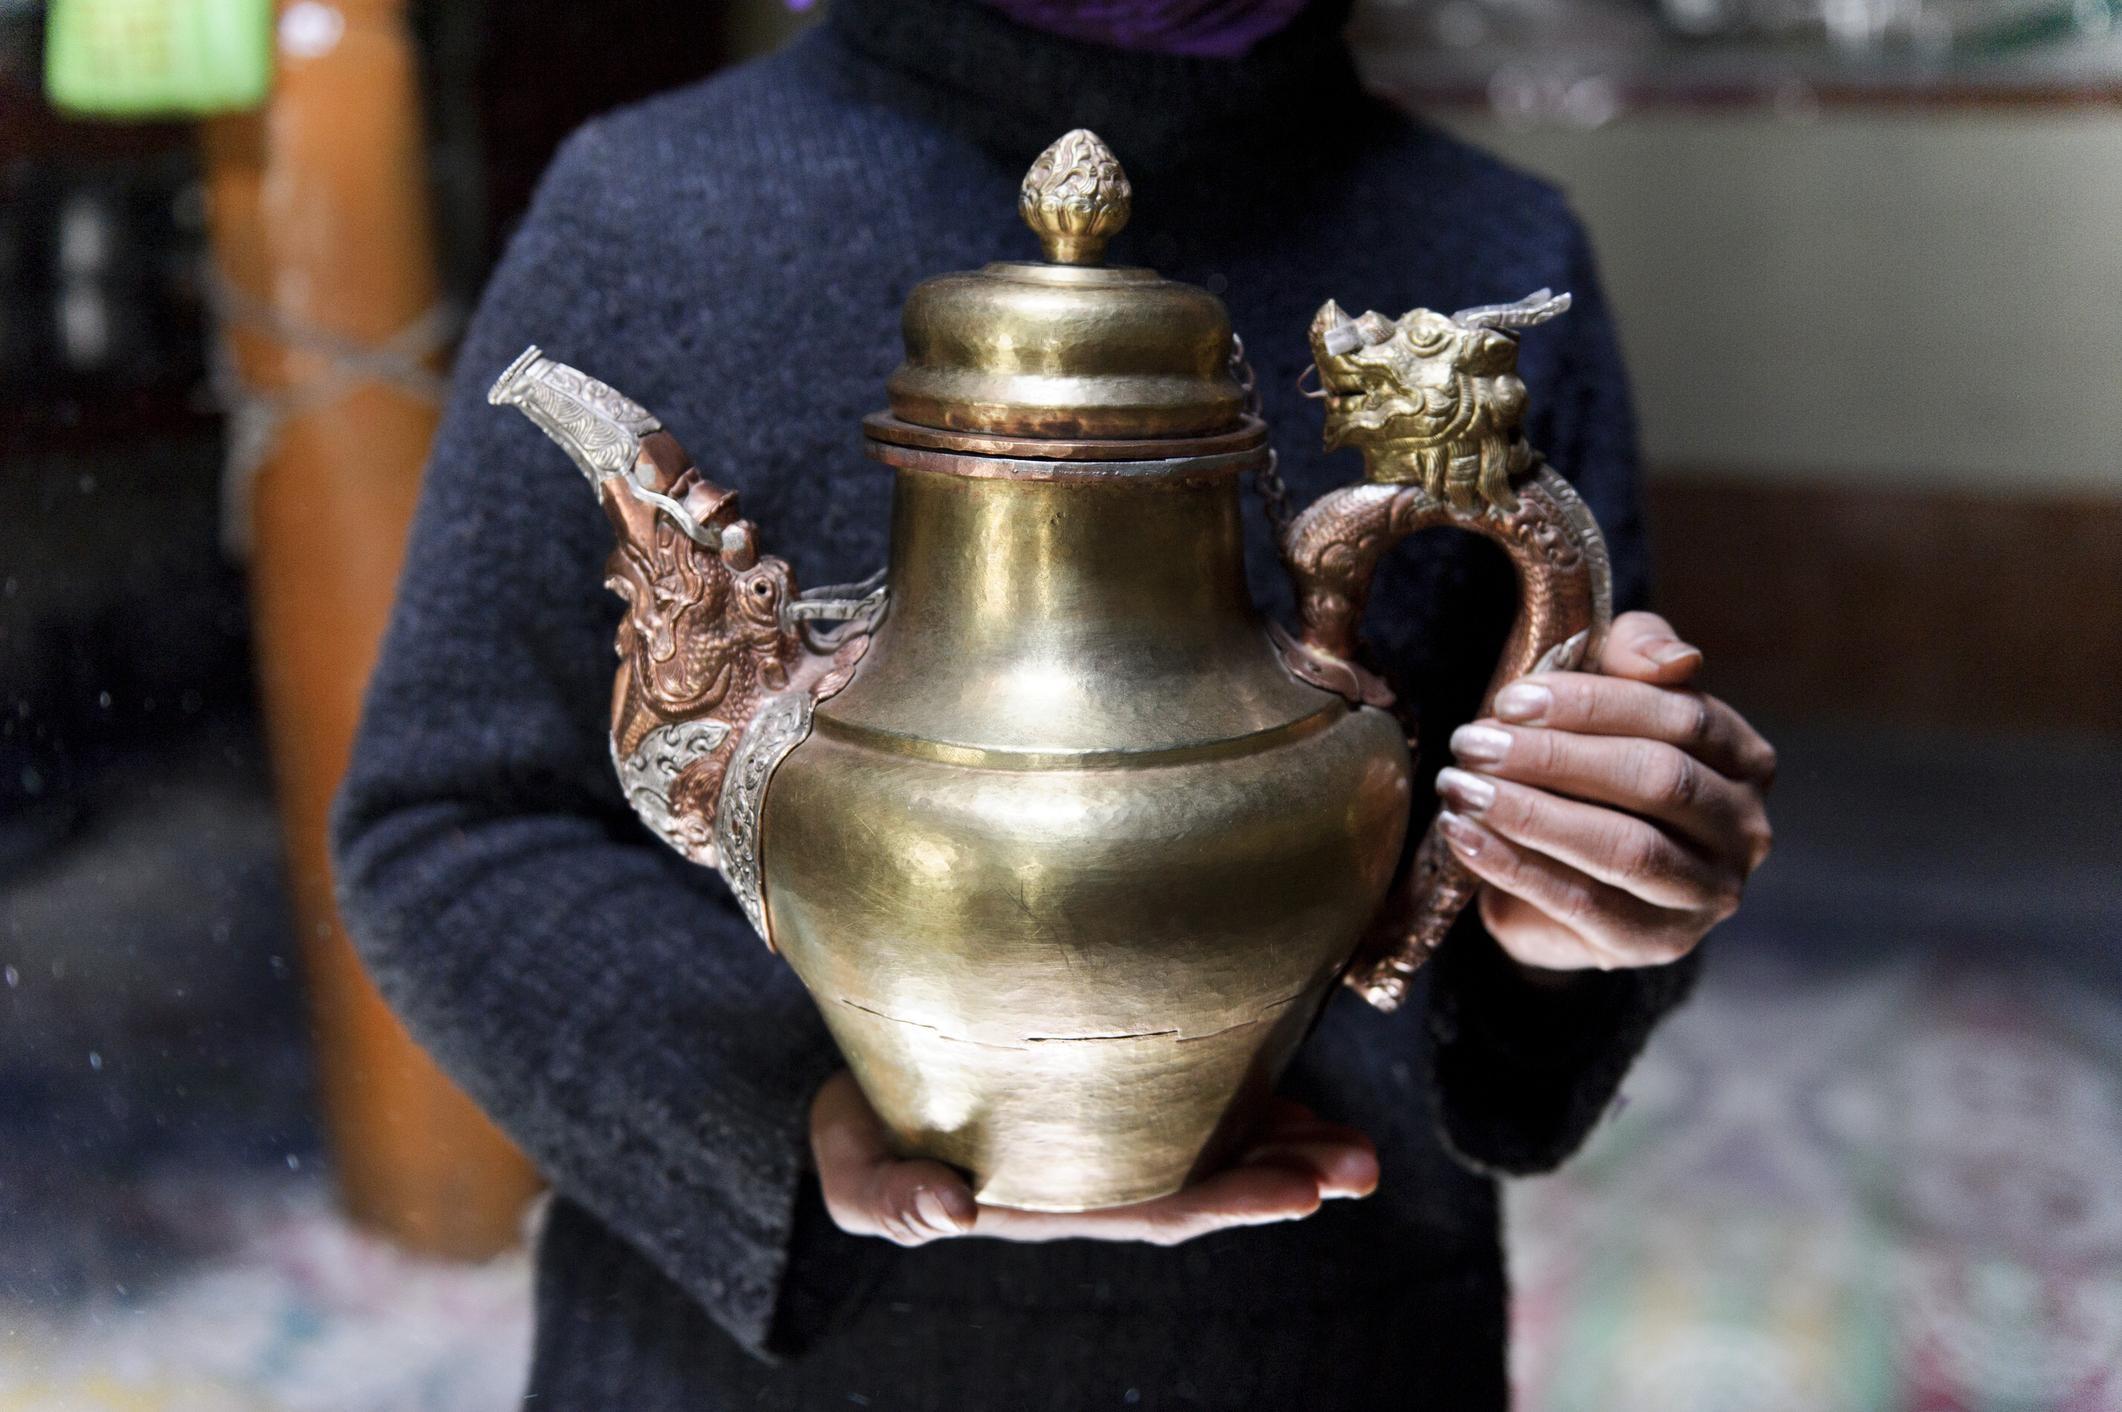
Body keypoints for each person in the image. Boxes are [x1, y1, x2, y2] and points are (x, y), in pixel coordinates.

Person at [331, 0, 1776, 1405]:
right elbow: (446, 827)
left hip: (1321, 1329)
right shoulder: (646, 207)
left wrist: (1574, 910)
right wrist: (781, 1115)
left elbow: (1533, 990)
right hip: (734, 1356)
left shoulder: (1493, 263)